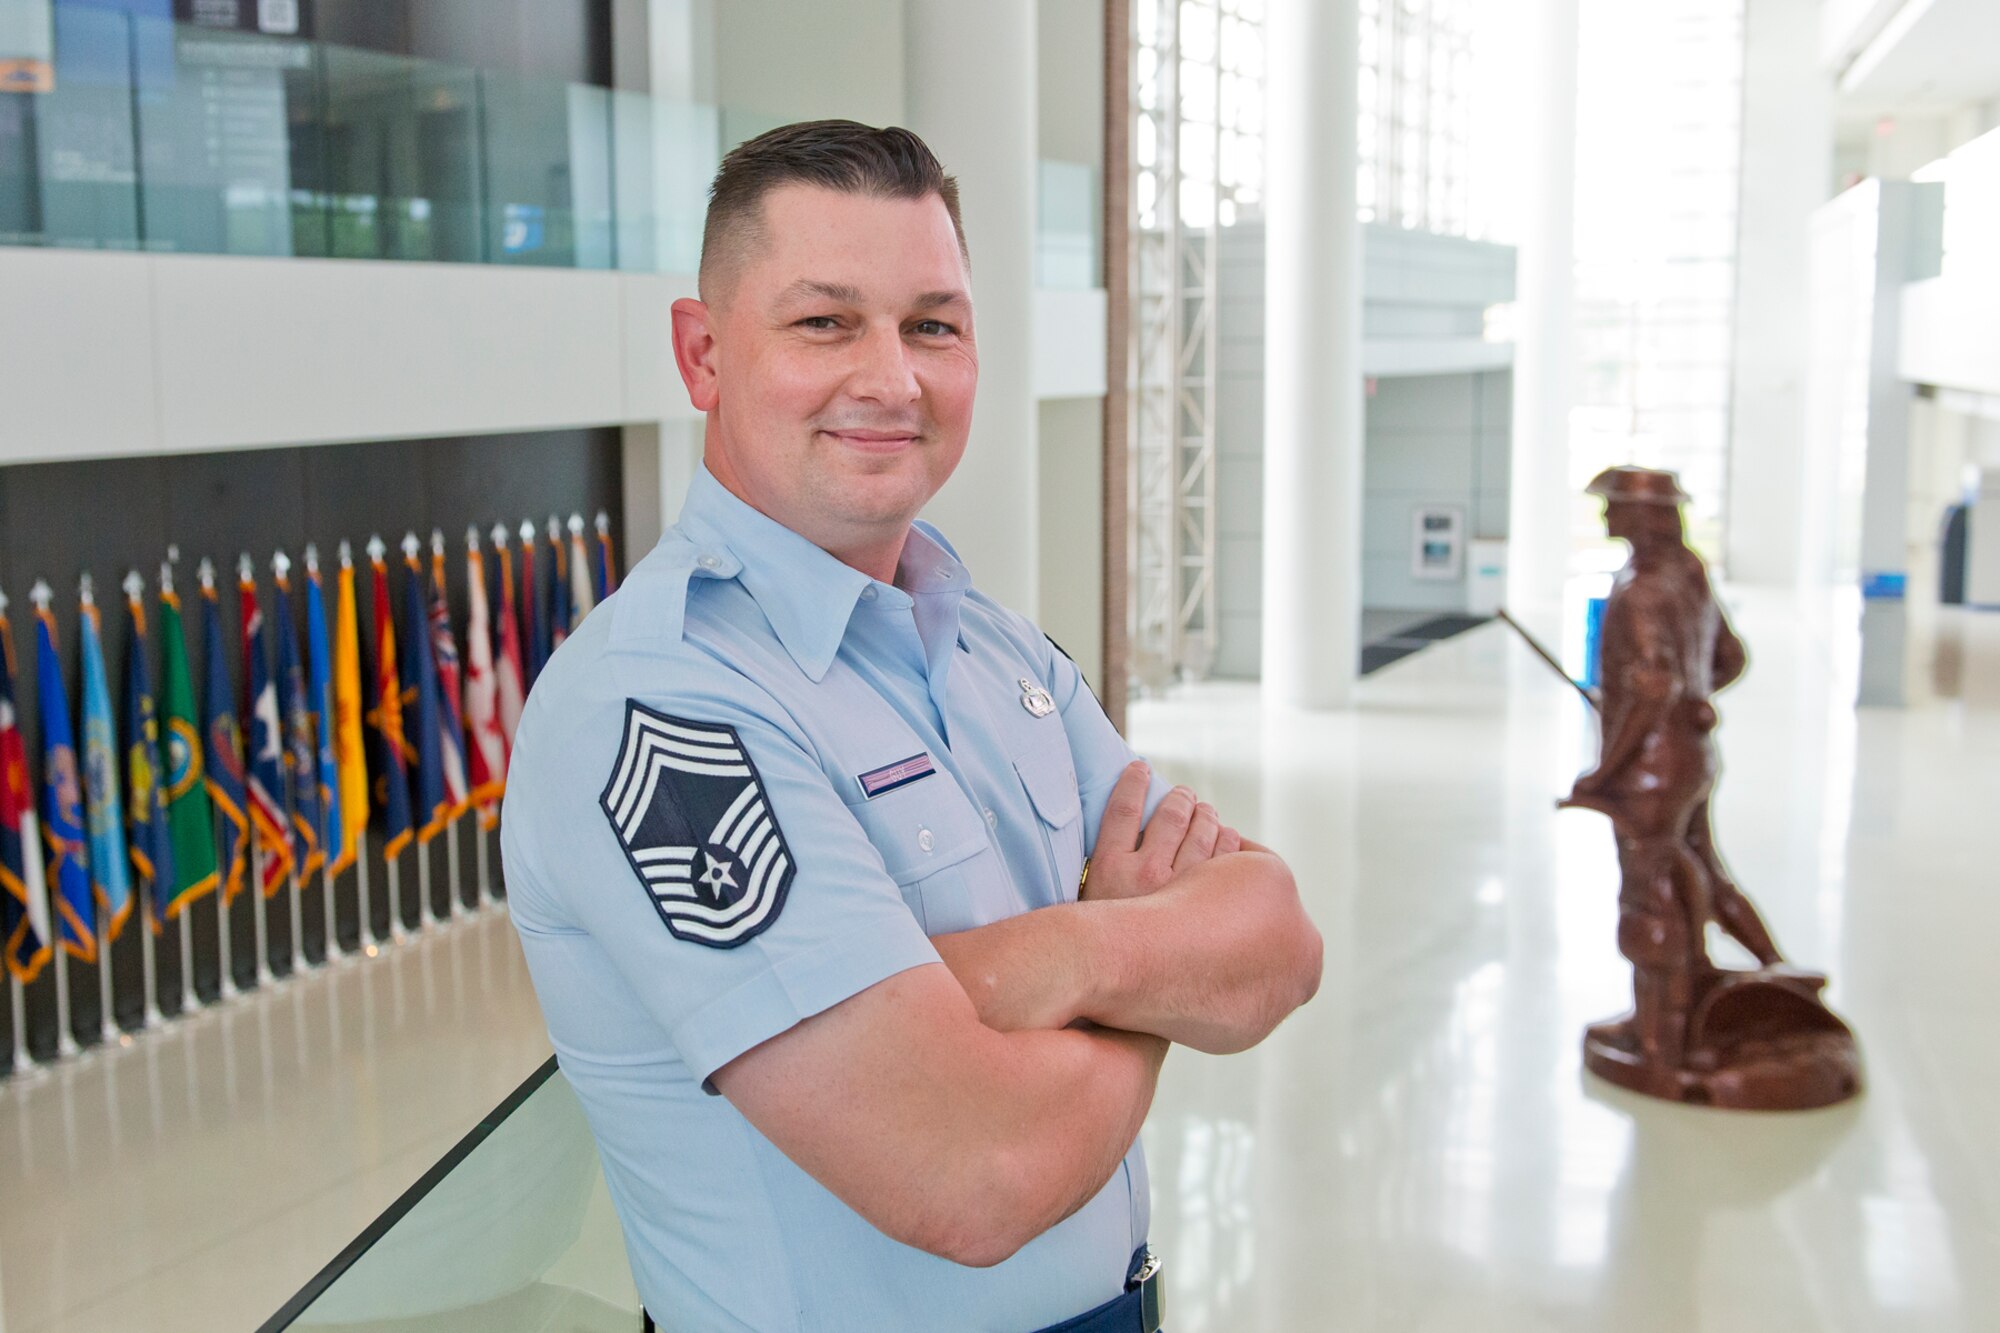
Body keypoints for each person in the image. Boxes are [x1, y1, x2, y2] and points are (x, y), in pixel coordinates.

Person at [501, 120, 1322, 1333]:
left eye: (931, 323)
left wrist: (1067, 959)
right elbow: (969, 1175)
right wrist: (1150, 979)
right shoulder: (660, 711)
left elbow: (1279, 943)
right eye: (824, 322)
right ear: (702, 353)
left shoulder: (989, 643)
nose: (890, 377)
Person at [1562, 465, 1783, 1069]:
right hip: (1693, 759)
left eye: (1614, 506)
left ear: (1643, 515)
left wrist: (1606, 770)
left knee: (1650, 902)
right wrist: (1695, 702)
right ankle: (1775, 973)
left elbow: (1652, 691)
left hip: (1652, 776)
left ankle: (1659, 1040)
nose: (1605, 515)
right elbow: (1730, 659)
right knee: (1703, 876)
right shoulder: (1688, 575)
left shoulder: (1639, 593)